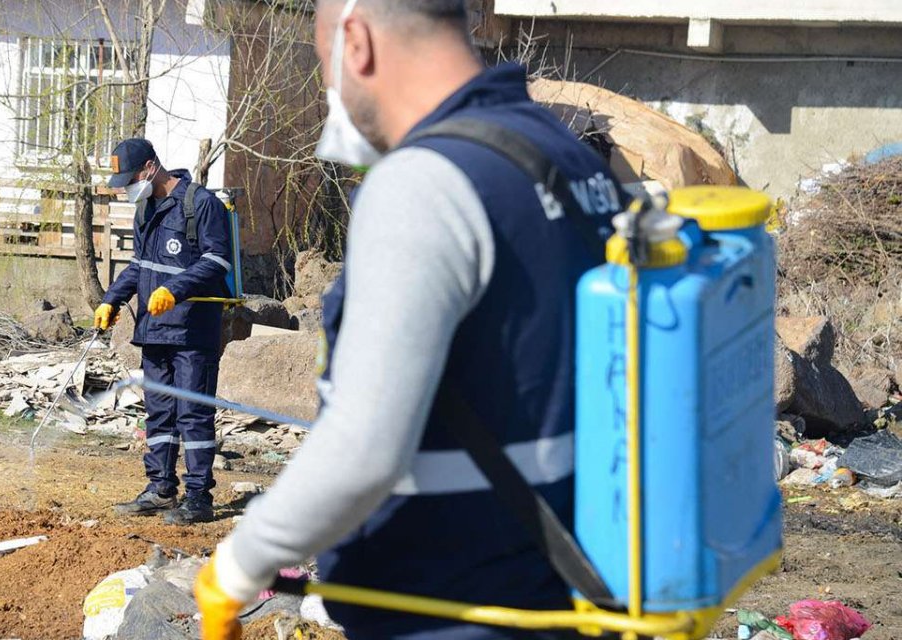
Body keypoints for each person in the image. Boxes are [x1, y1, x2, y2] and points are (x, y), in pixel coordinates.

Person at [193, 1, 627, 638]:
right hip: (571, 596)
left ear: (357, 42)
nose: (329, 87)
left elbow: (364, 448)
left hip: (459, 604)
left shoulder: (425, 182)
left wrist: (238, 565)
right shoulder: (566, 154)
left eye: (323, 62)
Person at [94, 138, 233, 526]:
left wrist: (174, 290)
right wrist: (112, 299)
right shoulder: (146, 209)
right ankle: (160, 488)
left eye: (129, 179)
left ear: (150, 168)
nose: (126, 188)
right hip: (153, 331)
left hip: (192, 331)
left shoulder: (200, 203)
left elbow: (217, 260)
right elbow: (139, 265)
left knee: (193, 414)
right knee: (159, 413)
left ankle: (199, 497)